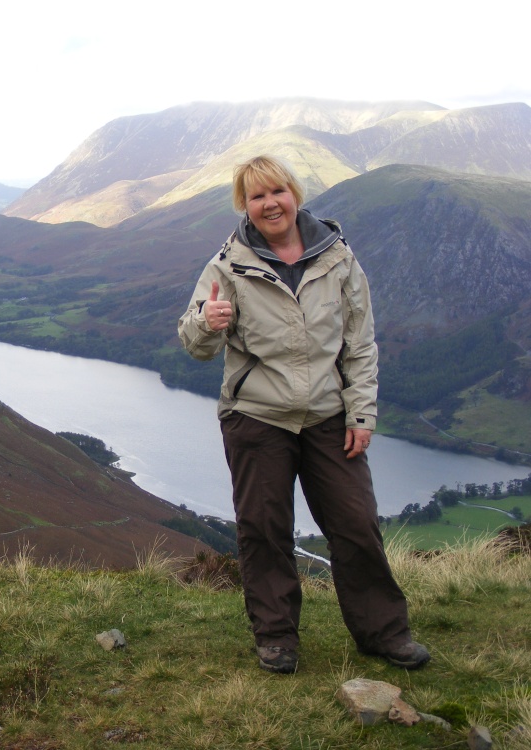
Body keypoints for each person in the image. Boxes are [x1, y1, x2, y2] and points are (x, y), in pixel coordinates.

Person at [177, 155, 429, 674]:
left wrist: (361, 414)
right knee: (264, 529)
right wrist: (207, 320)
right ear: (244, 205)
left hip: (328, 416)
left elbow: (359, 343)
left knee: (356, 524)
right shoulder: (227, 264)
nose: (269, 204)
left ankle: (385, 632)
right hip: (257, 417)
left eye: (277, 192)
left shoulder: (337, 258)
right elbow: (195, 344)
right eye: (256, 196)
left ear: (295, 194)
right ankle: (276, 637)